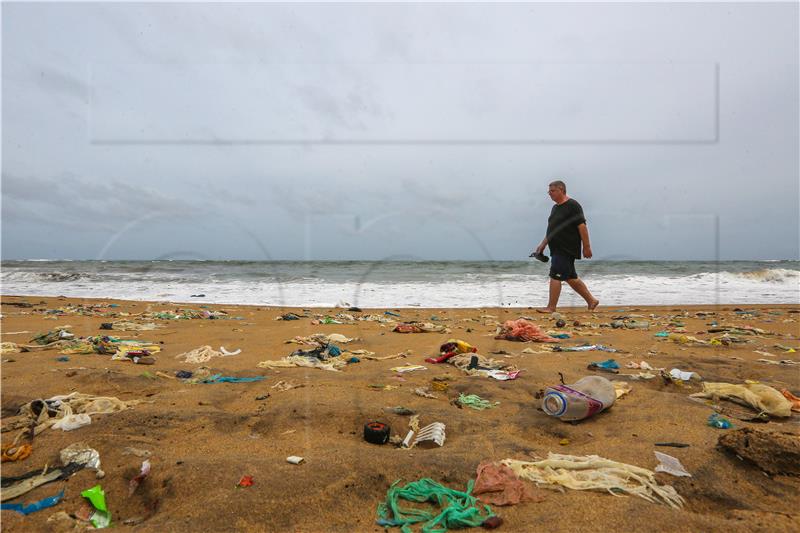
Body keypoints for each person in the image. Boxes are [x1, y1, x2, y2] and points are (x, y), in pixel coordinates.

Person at [532, 180, 599, 312]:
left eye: (552, 191)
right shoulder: (555, 208)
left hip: (567, 247)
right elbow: (552, 229)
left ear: (561, 190)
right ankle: (592, 301)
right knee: (570, 277)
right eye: (548, 191)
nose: (549, 194)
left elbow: (582, 226)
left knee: (555, 274)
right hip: (556, 248)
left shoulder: (573, 205)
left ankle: (551, 307)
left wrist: (586, 246)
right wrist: (543, 244)